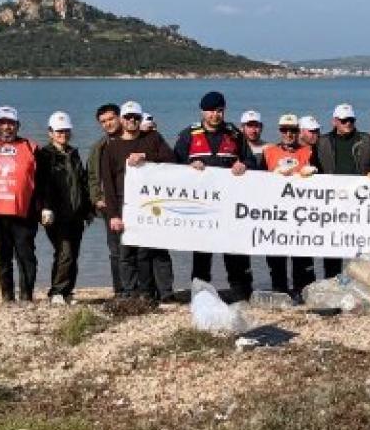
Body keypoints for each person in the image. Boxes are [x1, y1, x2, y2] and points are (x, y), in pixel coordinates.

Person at [173, 90, 254, 298]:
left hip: (230, 205)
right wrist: (189, 165)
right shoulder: (188, 135)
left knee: (235, 251)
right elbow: (172, 167)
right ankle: (201, 294)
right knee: (201, 253)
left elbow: (252, 161)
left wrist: (243, 165)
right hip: (200, 207)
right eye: (210, 111)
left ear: (224, 111)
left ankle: (241, 293)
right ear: (202, 111)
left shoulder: (235, 134)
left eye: (219, 111)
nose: (214, 115)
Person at [101, 101, 177, 302]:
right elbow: (107, 183)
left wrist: (146, 155)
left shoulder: (152, 138)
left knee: (145, 252)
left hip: (150, 204)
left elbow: (172, 159)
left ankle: (147, 292)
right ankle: (129, 292)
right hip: (123, 204)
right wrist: (113, 215)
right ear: (121, 120)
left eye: (136, 117)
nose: (132, 121)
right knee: (125, 253)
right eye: (128, 117)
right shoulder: (112, 146)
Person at [0, 106, 40, 302]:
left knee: (26, 256)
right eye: (2, 123)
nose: (7, 127)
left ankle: (26, 295)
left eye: (11, 123)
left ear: (17, 125)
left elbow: (43, 180)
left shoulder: (31, 146)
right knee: (1, 257)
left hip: (23, 212)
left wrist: (43, 207)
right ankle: (6, 295)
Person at [314, 103, 370, 278]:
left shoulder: (366, 140)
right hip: (333, 204)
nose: (347, 123)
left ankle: (360, 281)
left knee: (359, 246)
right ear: (334, 121)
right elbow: (315, 168)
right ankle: (332, 280)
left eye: (351, 120)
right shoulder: (322, 142)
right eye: (343, 120)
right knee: (333, 246)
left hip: (361, 203)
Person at [35, 112, 92, 304]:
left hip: (75, 214)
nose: (63, 134)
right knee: (64, 252)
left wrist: (88, 209)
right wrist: (44, 208)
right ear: (50, 132)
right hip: (54, 214)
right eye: (59, 131)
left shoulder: (73, 153)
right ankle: (56, 292)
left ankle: (67, 292)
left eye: (66, 131)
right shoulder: (44, 155)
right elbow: (40, 184)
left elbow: (82, 182)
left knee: (73, 254)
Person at [261, 114, 317, 296]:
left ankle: (303, 292)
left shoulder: (308, 152)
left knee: (302, 258)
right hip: (276, 215)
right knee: (276, 259)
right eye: (285, 130)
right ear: (280, 131)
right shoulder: (269, 152)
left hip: (302, 215)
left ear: (298, 131)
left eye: (292, 130)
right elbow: (256, 180)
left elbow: (323, 180)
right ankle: (280, 291)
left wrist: (315, 172)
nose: (289, 134)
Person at [87, 103, 124, 298]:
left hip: (133, 204)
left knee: (139, 249)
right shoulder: (98, 147)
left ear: (119, 117)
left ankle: (144, 289)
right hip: (109, 207)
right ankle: (120, 290)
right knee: (115, 249)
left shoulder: (133, 139)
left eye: (111, 119)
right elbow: (92, 176)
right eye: (103, 121)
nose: (108, 124)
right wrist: (96, 198)